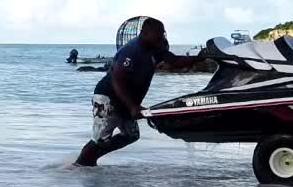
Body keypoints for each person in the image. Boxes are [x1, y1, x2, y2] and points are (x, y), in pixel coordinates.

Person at [75, 17, 204, 166]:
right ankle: (79, 166)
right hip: (107, 96)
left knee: (131, 135)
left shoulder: (156, 48)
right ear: (145, 33)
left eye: (163, 34)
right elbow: (117, 80)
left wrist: (199, 59)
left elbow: (175, 61)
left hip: (127, 100)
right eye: (158, 34)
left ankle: (91, 159)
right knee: (100, 139)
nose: (162, 37)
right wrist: (132, 107)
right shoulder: (132, 50)